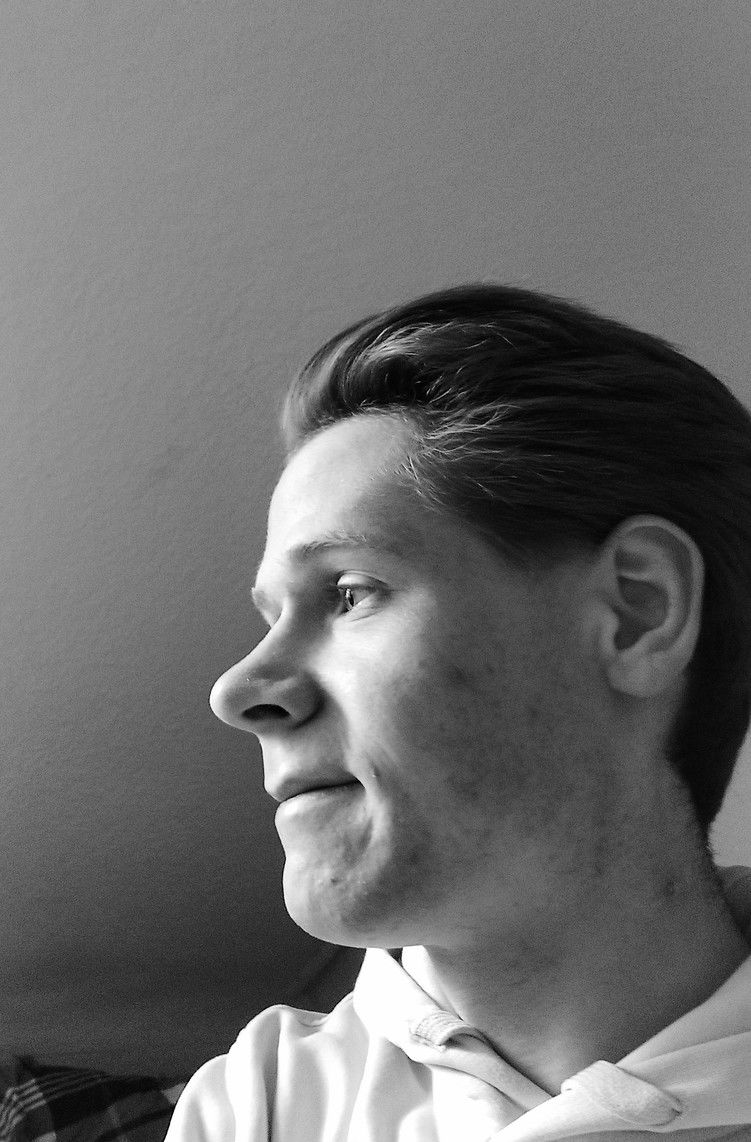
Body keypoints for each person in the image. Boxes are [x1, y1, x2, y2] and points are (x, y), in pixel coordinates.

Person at [166, 284, 751, 1140]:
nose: (237, 690)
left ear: (636, 610)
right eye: (270, 616)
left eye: (349, 592)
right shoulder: (253, 1105)